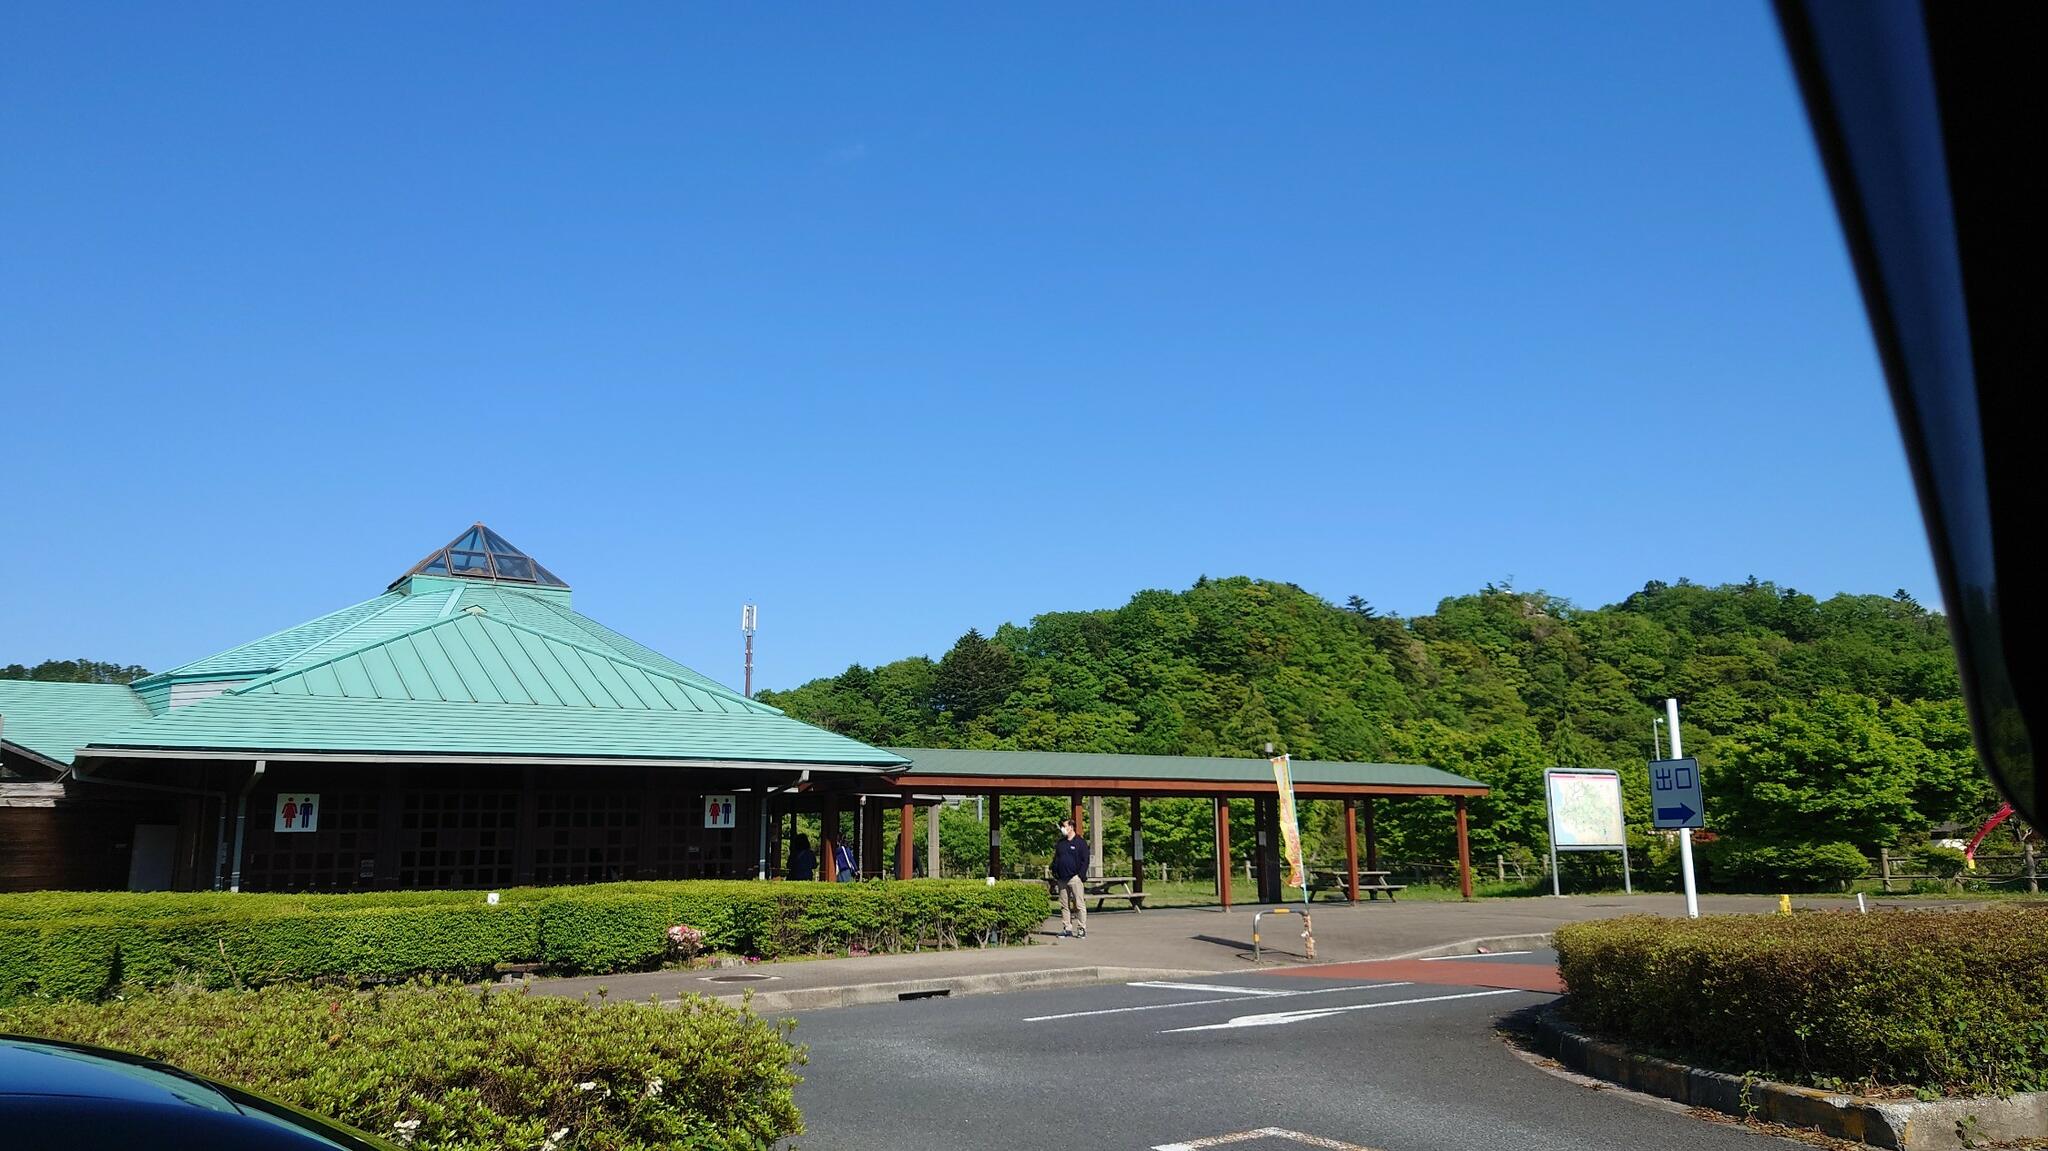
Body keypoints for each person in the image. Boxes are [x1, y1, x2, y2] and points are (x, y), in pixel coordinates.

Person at [1051, 817, 1090, 938]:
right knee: (1064, 905)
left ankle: (1081, 928)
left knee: (1079, 904)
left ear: (1071, 827)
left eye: (1064, 826)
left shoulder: (1080, 842)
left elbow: (1085, 860)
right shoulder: (1061, 843)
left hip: (1074, 878)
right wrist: (1055, 871)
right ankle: (1067, 928)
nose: (1062, 828)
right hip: (1062, 879)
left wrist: (1081, 875)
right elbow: (1056, 859)